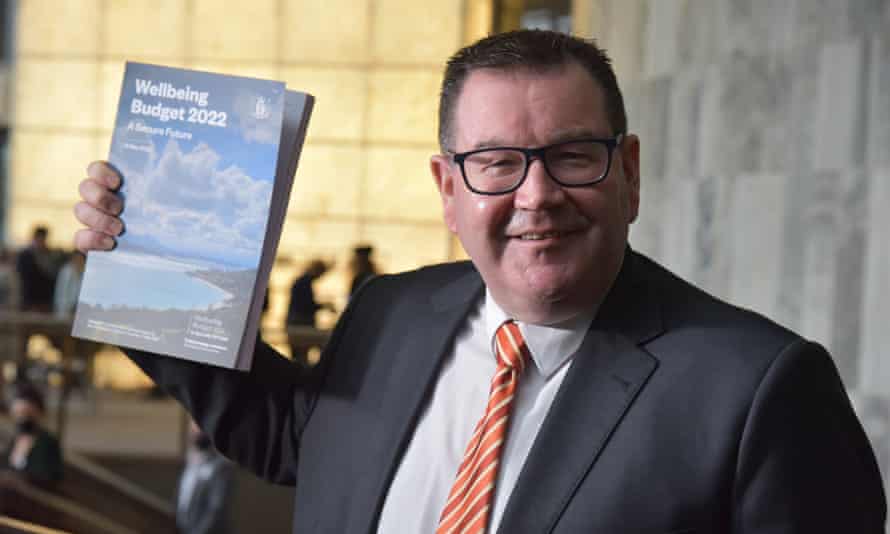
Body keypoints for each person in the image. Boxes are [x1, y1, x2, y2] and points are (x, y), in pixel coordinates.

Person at [72, 30, 885, 533]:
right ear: (448, 190)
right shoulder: (390, 312)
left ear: (628, 173)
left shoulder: (761, 391)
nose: (536, 196)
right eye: (497, 162)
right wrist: (138, 263)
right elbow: (299, 442)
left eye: (572, 156)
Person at [176, 420, 233, 534]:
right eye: (193, 426)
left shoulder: (221, 466)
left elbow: (216, 509)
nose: (196, 430)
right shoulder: (189, 462)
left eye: (200, 426)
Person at [1, 382, 63, 486]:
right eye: (18, 414)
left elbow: (48, 475)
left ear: (39, 413)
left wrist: (20, 478)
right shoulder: (15, 439)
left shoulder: (47, 441)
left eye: (26, 414)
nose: (22, 419)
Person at [285, 259, 333, 365]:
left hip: (295, 321)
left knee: (299, 355)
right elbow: (306, 305)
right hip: (300, 322)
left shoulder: (302, 281)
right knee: (301, 355)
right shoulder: (305, 282)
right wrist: (325, 306)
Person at [15, 226, 57, 313]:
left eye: (43, 238)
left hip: (45, 299)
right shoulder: (25, 255)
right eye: (39, 238)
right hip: (28, 298)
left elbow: (52, 276)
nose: (41, 241)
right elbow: (21, 277)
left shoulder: (50, 255)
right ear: (35, 238)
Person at [53, 251, 85, 316]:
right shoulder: (66, 271)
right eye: (76, 258)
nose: (78, 261)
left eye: (80, 259)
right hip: (66, 309)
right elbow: (60, 293)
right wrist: (67, 308)